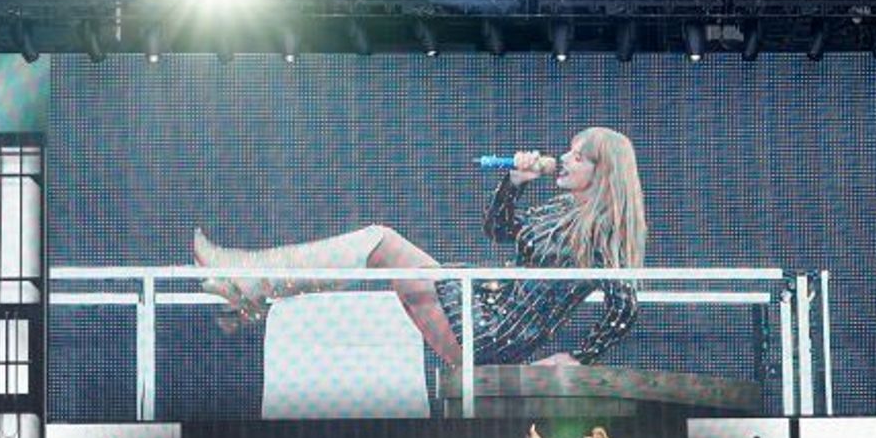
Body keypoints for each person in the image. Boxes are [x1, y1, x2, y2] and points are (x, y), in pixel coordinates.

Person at [192, 128, 648, 369]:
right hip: (482, 308)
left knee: (381, 241)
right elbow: (498, 231)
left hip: (498, 332)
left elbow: (623, 308)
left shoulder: (602, 232)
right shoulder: (561, 212)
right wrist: (513, 184)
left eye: (579, 156)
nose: (565, 160)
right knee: (379, 248)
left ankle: (252, 279)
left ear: (604, 171)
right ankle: (253, 292)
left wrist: (578, 357)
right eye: (568, 151)